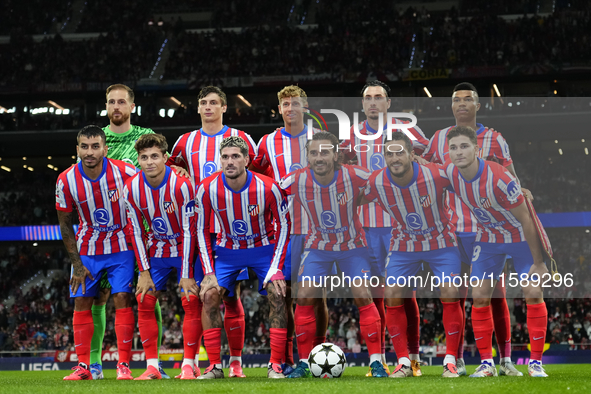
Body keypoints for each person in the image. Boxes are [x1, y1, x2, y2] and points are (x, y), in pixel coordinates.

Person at [421, 82, 531, 376]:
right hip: (452, 230)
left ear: (478, 105)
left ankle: (505, 360)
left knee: (495, 294)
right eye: (456, 99)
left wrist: (523, 192)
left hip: (490, 231)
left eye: (468, 99)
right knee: (453, 294)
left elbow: (510, 176)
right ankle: (454, 360)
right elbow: (427, 173)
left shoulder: (495, 139)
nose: (461, 104)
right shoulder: (439, 138)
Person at [90, 83, 181, 379]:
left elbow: (168, 171)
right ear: (106, 106)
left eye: (121, 102)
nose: (116, 107)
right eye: (111, 102)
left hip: (142, 235)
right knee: (98, 297)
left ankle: (153, 364)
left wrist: (178, 170)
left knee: (142, 294)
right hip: (104, 235)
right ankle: (92, 365)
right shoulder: (94, 141)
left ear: (131, 106)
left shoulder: (144, 139)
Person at [281, 131, 388, 378]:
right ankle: (305, 364)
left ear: (336, 154)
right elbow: (268, 191)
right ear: (307, 156)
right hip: (318, 247)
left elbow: (383, 182)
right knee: (304, 295)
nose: (320, 157)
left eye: (325, 152)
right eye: (314, 153)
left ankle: (376, 363)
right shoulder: (297, 179)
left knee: (362, 294)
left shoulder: (354, 174)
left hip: (353, 246)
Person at [443, 126, 549, 378]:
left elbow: (526, 220)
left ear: (477, 149)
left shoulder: (499, 177)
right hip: (488, 238)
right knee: (479, 296)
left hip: (519, 237)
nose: (459, 152)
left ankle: (535, 363)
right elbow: (427, 170)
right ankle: (487, 364)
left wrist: (539, 262)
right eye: (453, 148)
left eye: (464, 146)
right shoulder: (449, 172)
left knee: (533, 291)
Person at [340, 80, 429, 377]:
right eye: (368, 98)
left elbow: (429, 156)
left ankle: (413, 360)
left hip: (400, 226)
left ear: (389, 103)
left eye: (379, 97)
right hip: (364, 227)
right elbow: (335, 164)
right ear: (363, 104)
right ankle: (377, 362)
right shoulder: (351, 136)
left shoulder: (406, 130)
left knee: (405, 295)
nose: (373, 102)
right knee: (373, 294)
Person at [166, 86, 256, 378]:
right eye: (203, 102)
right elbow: (170, 174)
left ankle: (236, 362)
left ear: (224, 107)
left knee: (231, 297)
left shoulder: (241, 139)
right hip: (196, 229)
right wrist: (178, 172)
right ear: (198, 108)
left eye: (214, 102)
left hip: (230, 230)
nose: (208, 107)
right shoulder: (184, 142)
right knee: (201, 296)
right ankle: (204, 363)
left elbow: (256, 175)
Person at [361, 133, 463, 378]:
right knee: (393, 294)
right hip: (404, 243)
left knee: (450, 291)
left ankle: (450, 361)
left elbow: (468, 183)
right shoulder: (376, 181)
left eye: (399, 152)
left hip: (441, 241)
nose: (394, 158)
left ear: (411, 154)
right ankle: (404, 362)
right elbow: (351, 199)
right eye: (389, 154)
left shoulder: (436, 174)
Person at [196, 136, 290, 379]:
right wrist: (208, 272)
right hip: (227, 251)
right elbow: (201, 230)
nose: (230, 161)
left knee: (278, 293)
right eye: (225, 157)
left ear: (247, 160)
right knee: (209, 295)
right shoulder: (206, 188)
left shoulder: (268, 187)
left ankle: (275, 365)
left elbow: (284, 227)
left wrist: (276, 268)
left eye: (236, 156)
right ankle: (215, 366)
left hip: (264, 248)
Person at [249, 85, 327, 375]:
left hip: (318, 226)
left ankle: (318, 354)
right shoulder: (267, 142)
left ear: (305, 107)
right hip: (283, 228)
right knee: (287, 294)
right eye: (285, 104)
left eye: (295, 103)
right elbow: (254, 175)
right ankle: (291, 359)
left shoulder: (320, 139)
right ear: (279, 109)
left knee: (316, 295)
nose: (290, 108)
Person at [56, 125, 136, 380]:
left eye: (95, 146)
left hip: (122, 244)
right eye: (84, 146)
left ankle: (123, 365)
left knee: (122, 298)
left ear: (105, 148)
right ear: (77, 149)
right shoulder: (65, 179)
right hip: (88, 247)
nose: (89, 152)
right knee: (82, 301)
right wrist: (77, 265)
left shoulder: (125, 171)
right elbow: (65, 224)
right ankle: (83, 367)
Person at [123, 133, 201, 380]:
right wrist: (143, 273)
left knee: (191, 299)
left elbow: (190, 230)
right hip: (157, 248)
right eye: (144, 157)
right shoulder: (131, 188)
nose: (149, 162)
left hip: (187, 247)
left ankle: (190, 364)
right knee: (144, 299)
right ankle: (153, 367)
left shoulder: (182, 184)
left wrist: (187, 274)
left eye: (155, 156)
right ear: (138, 159)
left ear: (166, 158)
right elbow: (134, 230)